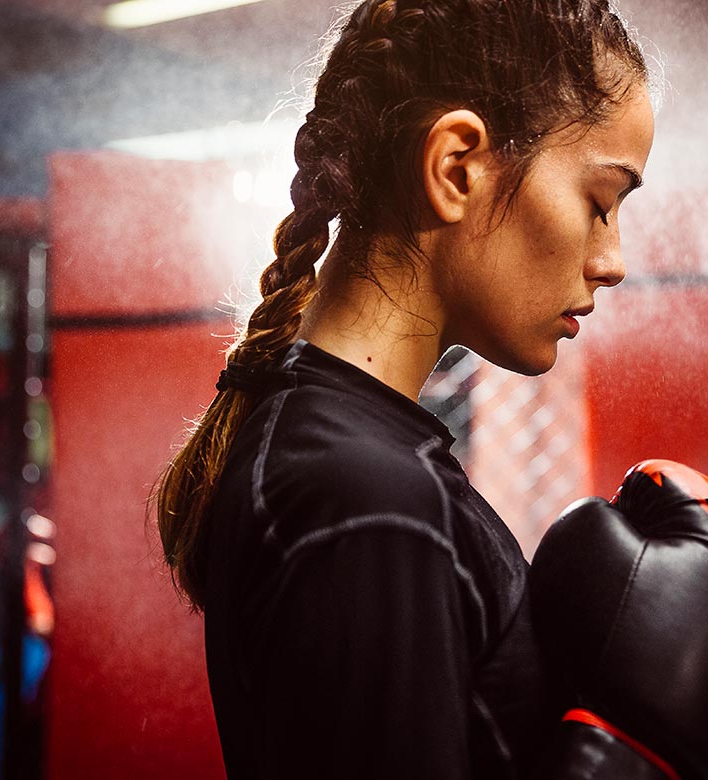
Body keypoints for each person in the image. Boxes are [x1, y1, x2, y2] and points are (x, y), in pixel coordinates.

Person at [154, 0, 654, 777]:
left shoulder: (342, 453)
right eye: (599, 202)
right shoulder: (368, 499)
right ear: (457, 167)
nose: (612, 258)